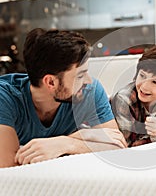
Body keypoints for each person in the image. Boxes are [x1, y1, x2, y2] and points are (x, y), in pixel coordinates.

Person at [0, 28, 127, 168]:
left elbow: (117, 145)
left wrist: (66, 143)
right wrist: (88, 139)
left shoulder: (90, 91)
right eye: (80, 75)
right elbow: (8, 166)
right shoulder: (5, 97)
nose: (88, 81)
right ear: (51, 82)